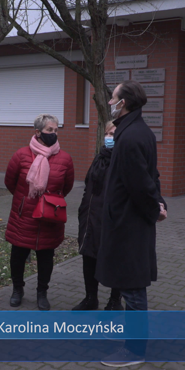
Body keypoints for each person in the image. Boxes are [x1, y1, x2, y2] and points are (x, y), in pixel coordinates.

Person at [97, 81, 168, 368]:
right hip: (128, 220)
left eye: (113, 97)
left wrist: (155, 208)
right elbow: (151, 175)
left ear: (123, 102)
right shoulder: (135, 131)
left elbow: (141, 182)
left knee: (133, 287)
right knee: (129, 284)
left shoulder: (130, 136)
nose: (110, 102)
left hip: (129, 223)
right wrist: (159, 203)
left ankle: (135, 350)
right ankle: (131, 339)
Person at [4, 114, 75, 311]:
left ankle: (42, 293)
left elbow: (67, 186)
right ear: (37, 132)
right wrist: (26, 200)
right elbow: (10, 182)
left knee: (46, 257)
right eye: (49, 130)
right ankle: (17, 289)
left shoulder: (65, 158)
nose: (54, 133)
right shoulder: (21, 155)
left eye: (56, 130)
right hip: (24, 215)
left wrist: (49, 201)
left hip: (49, 217)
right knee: (18, 256)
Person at [72, 121, 123, 311]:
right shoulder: (100, 157)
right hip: (90, 217)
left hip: (112, 220)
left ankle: (115, 301)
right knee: (89, 257)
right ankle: (90, 298)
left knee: (115, 260)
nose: (109, 138)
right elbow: (89, 185)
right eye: (107, 134)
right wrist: (83, 210)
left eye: (114, 134)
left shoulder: (124, 160)